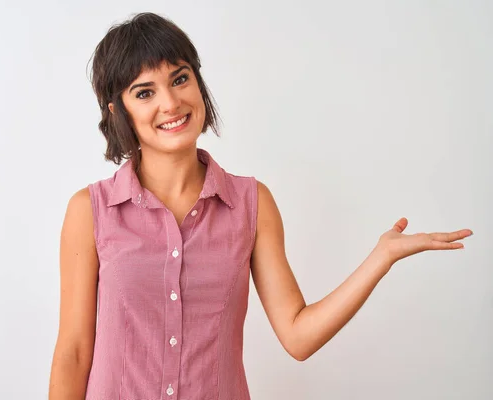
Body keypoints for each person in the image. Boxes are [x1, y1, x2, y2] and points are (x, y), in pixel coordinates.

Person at [48, 12, 473, 400]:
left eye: (180, 79)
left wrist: (381, 257)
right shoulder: (90, 210)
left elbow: (298, 335)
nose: (170, 104)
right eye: (144, 92)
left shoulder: (251, 204)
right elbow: (74, 352)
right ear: (117, 109)